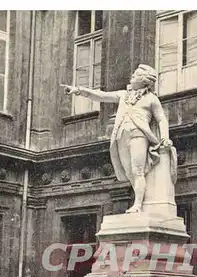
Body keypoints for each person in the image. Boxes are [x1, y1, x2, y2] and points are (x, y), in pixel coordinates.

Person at [63, 64, 177, 213]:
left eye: (136, 75)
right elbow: (102, 96)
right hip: (121, 136)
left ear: (144, 81)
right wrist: (79, 90)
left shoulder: (151, 99)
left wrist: (165, 138)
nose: (132, 77)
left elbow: (161, 119)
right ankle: (138, 202)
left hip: (138, 134)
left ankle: (137, 205)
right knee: (129, 172)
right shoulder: (124, 95)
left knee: (137, 171)